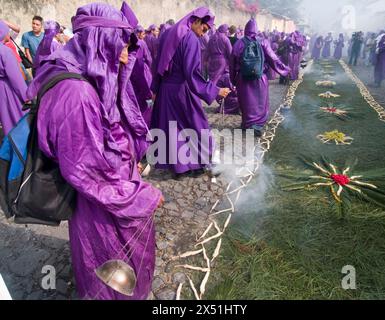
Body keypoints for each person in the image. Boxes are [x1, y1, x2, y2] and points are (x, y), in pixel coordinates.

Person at [26, 2, 163, 300]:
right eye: (120, 44)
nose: (126, 55)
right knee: (113, 271)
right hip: (102, 203)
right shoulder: (77, 93)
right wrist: (142, 197)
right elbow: (84, 170)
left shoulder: (85, 74)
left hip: (109, 189)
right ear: (100, 41)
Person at [150, 7, 230, 178]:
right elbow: (192, 74)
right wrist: (215, 90)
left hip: (165, 90)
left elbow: (157, 64)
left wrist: (155, 88)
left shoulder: (166, 33)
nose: (203, 34)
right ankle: (201, 162)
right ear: (196, 21)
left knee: (174, 129)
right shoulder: (190, 38)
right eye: (204, 28)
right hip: (181, 89)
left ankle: (180, 167)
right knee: (197, 125)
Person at [230, 19, 290, 137]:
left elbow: (232, 63)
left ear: (246, 30)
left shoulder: (239, 43)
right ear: (256, 30)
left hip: (243, 78)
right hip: (259, 78)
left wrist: (233, 80)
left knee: (246, 102)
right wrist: (284, 69)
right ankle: (256, 126)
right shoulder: (263, 42)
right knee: (260, 103)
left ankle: (247, 124)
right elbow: (273, 59)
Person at [0, 20, 27, 136]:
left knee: (5, 120)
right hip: (8, 89)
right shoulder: (5, 51)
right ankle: (17, 151)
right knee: (16, 120)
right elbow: (15, 78)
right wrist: (27, 96)